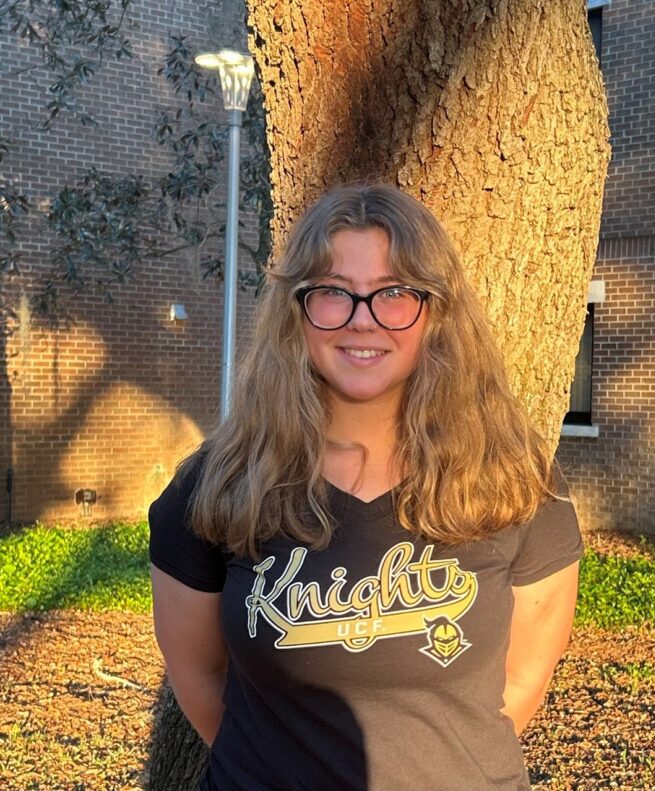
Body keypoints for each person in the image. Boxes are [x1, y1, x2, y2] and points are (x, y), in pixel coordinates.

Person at [149, 183, 583, 791]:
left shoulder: (514, 484)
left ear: (437, 313)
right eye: (333, 292)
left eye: (395, 293)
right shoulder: (218, 487)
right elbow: (201, 681)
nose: (362, 319)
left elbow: (520, 684)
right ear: (295, 311)